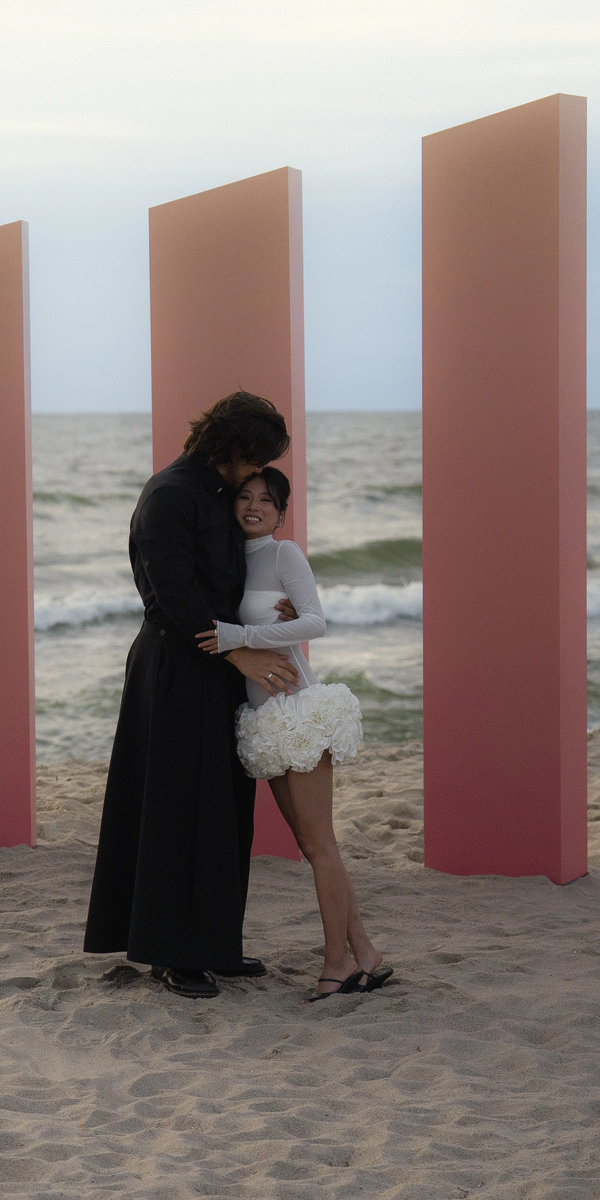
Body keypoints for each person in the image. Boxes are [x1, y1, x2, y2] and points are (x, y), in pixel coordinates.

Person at [83, 392, 300, 999]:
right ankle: (171, 953)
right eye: (255, 458)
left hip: (220, 665)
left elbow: (236, 578)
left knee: (223, 809)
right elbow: (173, 595)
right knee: (175, 808)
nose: (256, 473)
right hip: (176, 667)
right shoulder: (170, 495)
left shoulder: (216, 492)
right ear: (231, 446)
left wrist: (271, 610)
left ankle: (213, 945)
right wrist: (239, 653)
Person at [197, 468, 394, 1002]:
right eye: (245, 496)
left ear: (282, 514)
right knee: (311, 844)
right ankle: (365, 953)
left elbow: (314, 622)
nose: (254, 506)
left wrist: (241, 635)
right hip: (265, 720)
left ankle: (336, 964)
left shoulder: (285, 554)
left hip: (298, 710)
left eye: (267, 500)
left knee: (319, 844)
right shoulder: (230, 561)